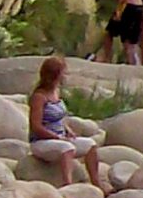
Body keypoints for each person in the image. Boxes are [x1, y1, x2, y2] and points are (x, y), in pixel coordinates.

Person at [26, 55, 104, 190]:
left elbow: (59, 118)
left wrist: (67, 130)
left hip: (60, 137)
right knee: (67, 148)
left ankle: (96, 183)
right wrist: (56, 137)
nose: (65, 76)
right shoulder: (39, 97)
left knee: (91, 144)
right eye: (63, 73)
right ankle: (68, 185)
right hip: (41, 142)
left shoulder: (56, 93)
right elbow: (36, 126)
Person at [100, 0, 143, 66]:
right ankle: (132, 60)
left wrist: (118, 9)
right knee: (130, 37)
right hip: (138, 6)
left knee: (110, 32)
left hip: (127, 6)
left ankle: (107, 57)